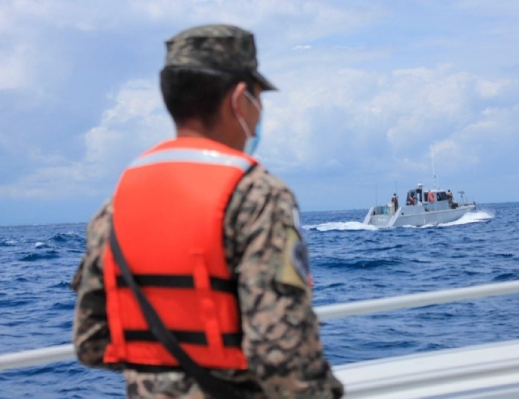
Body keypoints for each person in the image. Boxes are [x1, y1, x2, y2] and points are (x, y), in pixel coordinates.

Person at [71, 24, 343, 399]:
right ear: (238, 99)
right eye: (258, 97)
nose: (260, 110)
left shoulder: (116, 204)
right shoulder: (257, 194)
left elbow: (90, 341)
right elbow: (281, 355)